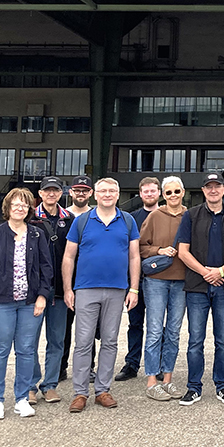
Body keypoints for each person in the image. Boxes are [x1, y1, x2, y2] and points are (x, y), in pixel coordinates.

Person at [62, 177, 140, 413]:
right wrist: (68, 288)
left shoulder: (127, 221)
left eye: (112, 191)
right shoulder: (82, 221)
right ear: (96, 194)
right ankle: (80, 392)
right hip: (86, 288)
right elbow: (68, 256)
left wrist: (134, 288)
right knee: (83, 342)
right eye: (103, 191)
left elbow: (134, 256)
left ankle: (103, 390)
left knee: (110, 341)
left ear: (118, 194)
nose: (107, 194)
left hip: (117, 290)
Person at [0, 188, 54, 420]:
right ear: (8, 207)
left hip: (29, 303)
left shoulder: (36, 235)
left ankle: (22, 398)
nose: (20, 208)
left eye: (24, 205)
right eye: (16, 204)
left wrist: (42, 296)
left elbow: (46, 267)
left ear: (29, 209)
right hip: (1, 303)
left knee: (26, 351)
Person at [175, 172, 224, 406]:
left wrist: (221, 271)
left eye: (217, 186)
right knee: (196, 339)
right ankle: (194, 387)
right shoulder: (191, 215)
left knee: (223, 339)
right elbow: (183, 251)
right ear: (203, 190)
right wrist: (206, 272)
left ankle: (222, 385)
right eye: (209, 187)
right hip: (197, 287)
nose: (213, 190)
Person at [137, 176, 187, 401]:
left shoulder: (190, 216)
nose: (173, 196)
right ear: (163, 195)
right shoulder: (154, 216)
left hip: (182, 280)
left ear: (183, 192)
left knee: (174, 332)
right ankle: (151, 381)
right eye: (169, 192)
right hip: (157, 279)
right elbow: (140, 247)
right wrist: (159, 250)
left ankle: (168, 379)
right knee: (155, 330)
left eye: (177, 191)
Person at [27, 177, 74, 406]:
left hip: (59, 291)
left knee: (57, 340)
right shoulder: (30, 218)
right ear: (40, 193)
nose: (51, 194)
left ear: (61, 193)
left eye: (55, 190)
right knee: (30, 341)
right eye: (47, 190)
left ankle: (51, 385)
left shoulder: (69, 219)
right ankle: (30, 385)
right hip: (34, 293)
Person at [117, 176, 161, 382]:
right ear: (140, 194)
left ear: (158, 193)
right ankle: (132, 363)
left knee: (157, 324)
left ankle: (158, 364)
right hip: (135, 279)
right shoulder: (131, 218)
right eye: (146, 191)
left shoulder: (166, 215)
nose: (149, 194)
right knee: (135, 323)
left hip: (159, 279)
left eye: (153, 191)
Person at [61, 175, 93, 380]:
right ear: (70, 192)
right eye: (77, 190)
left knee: (88, 330)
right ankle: (60, 367)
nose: (80, 193)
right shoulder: (62, 216)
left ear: (91, 193)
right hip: (67, 279)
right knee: (63, 328)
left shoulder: (96, 215)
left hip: (89, 280)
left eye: (85, 190)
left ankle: (88, 368)